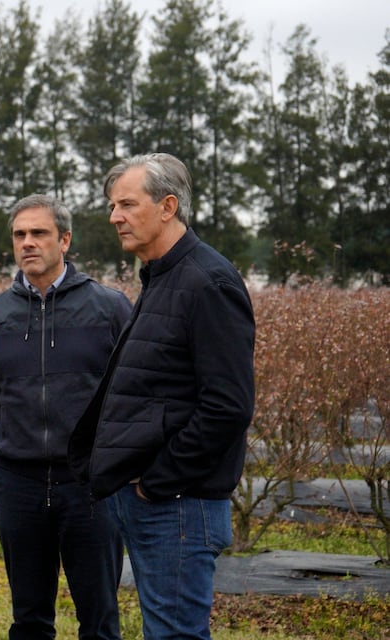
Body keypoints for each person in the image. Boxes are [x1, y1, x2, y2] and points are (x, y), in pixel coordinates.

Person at [68, 153, 255, 640]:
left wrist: (158, 480)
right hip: (158, 501)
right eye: (112, 206)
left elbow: (228, 405)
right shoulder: (162, 278)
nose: (114, 217)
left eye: (127, 204)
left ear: (168, 206)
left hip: (179, 505)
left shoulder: (207, 282)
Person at [0, 193, 132, 640]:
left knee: (99, 617)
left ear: (64, 240)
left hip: (90, 486)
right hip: (18, 484)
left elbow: (130, 391)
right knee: (29, 617)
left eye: (39, 233)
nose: (28, 243)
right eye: (20, 234)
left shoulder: (109, 308)